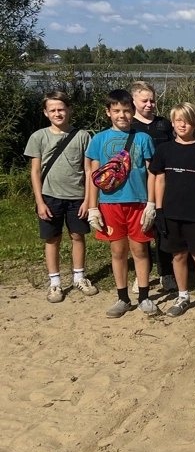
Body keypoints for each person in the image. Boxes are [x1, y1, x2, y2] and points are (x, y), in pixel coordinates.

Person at [85, 89, 158, 318]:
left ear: (133, 112)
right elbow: (93, 175)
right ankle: (123, 298)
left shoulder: (144, 138)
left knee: (140, 249)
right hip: (110, 204)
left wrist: (152, 203)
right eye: (116, 111)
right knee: (118, 251)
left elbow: (152, 173)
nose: (122, 115)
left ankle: (144, 296)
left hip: (138, 202)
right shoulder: (99, 139)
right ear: (108, 112)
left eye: (126, 111)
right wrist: (92, 207)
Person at [24, 91, 98, 303]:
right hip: (49, 197)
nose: (58, 113)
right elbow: (35, 172)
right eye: (53, 110)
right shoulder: (38, 137)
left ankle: (79, 277)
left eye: (61, 109)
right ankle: (55, 282)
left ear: (69, 110)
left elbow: (88, 171)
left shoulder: (83, 136)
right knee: (52, 238)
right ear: (46, 113)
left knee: (77, 236)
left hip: (77, 197)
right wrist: (39, 201)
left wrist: (87, 200)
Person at [150, 103, 195, 318]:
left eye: (187, 120)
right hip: (171, 212)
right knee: (178, 256)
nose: (182, 124)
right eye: (178, 120)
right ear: (172, 122)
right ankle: (183, 295)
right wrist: (158, 210)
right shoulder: (164, 150)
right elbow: (159, 180)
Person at [130, 80, 176, 293]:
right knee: (142, 231)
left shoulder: (163, 124)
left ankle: (166, 272)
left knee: (163, 231)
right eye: (144, 100)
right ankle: (143, 274)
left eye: (152, 100)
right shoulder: (130, 126)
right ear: (133, 101)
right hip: (139, 185)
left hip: (164, 184)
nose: (149, 104)